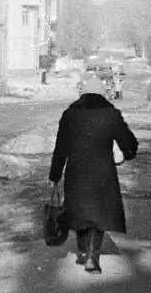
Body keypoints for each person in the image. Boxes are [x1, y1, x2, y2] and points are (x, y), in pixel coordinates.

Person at [48, 76, 138, 274]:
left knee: (80, 212)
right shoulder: (111, 114)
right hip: (102, 171)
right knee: (99, 213)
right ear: (102, 94)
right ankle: (92, 255)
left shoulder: (70, 114)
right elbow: (129, 141)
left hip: (76, 171)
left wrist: (55, 174)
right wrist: (128, 154)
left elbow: (60, 147)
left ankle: (83, 251)